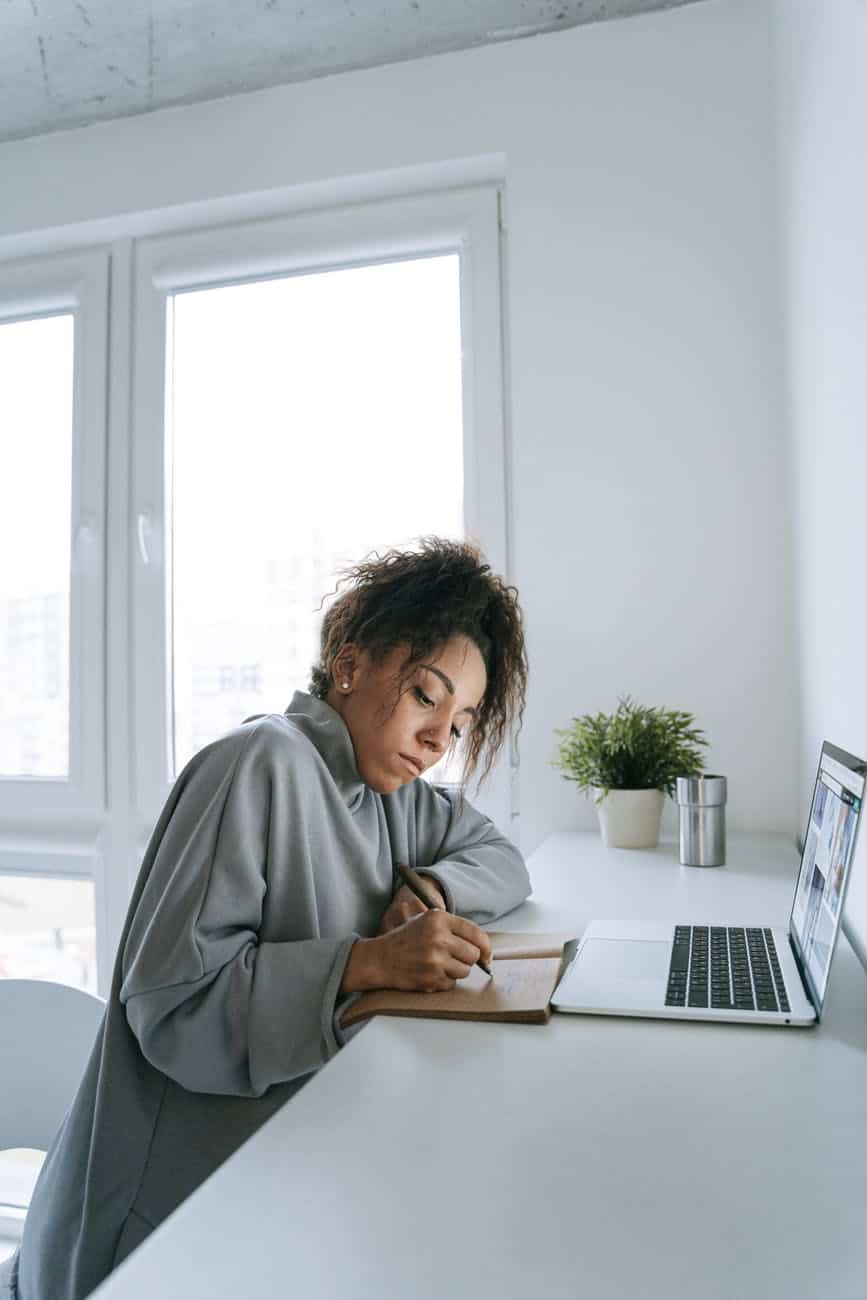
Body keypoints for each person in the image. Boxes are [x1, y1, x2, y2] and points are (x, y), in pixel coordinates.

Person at [2, 536, 531, 1300]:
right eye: (425, 694)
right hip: (152, 1230)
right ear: (349, 662)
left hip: (273, 1179)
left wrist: (436, 893)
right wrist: (369, 963)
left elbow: (500, 855)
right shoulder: (257, 762)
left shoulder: (391, 798)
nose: (437, 738)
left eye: (460, 720)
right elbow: (173, 1006)